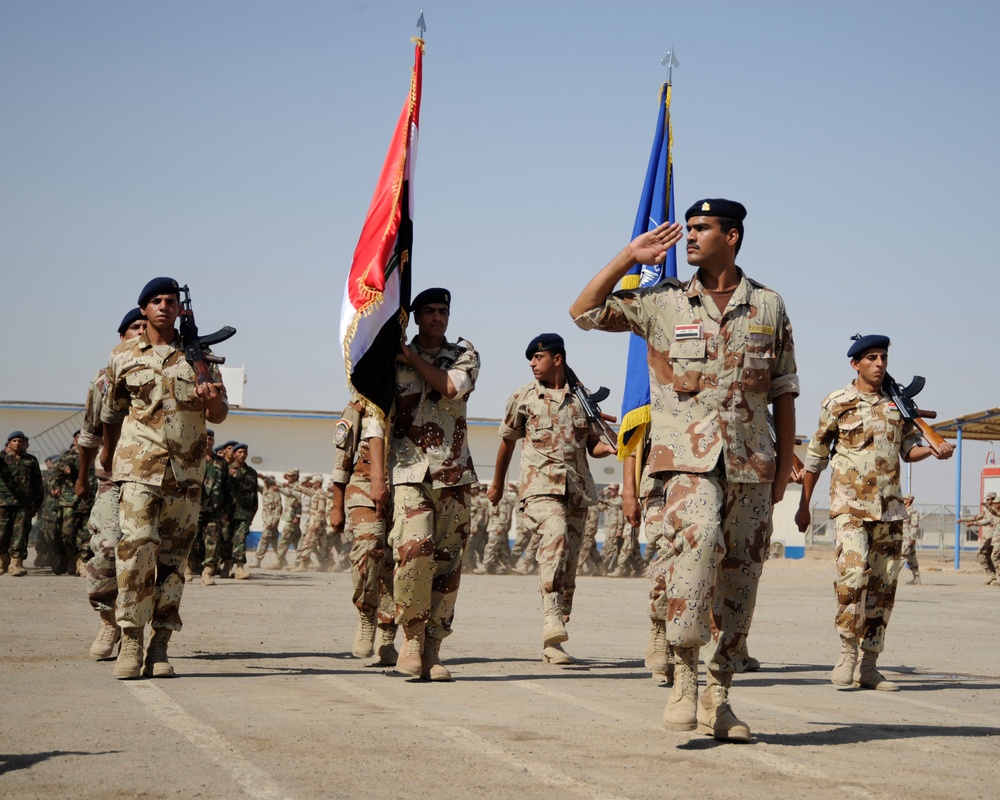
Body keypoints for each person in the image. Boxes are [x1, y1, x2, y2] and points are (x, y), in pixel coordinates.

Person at [571, 199, 798, 741]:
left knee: (741, 580)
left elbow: (784, 393)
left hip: (751, 464)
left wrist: (783, 471)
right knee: (695, 547)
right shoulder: (663, 301)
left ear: (733, 235)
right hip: (686, 462)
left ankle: (719, 697)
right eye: (688, 228)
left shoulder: (768, 305)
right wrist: (630, 255)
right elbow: (582, 312)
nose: (689, 237)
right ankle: (685, 678)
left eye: (702, 228)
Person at [795, 334, 955, 692]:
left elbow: (908, 450)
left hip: (890, 509)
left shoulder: (899, 406)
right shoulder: (837, 402)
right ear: (856, 364)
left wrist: (934, 450)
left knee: (883, 586)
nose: (880, 363)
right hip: (850, 506)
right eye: (872, 358)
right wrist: (803, 506)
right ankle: (846, 653)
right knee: (852, 577)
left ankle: (869, 664)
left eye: (883, 357)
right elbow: (816, 457)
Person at [100, 277, 228, 679]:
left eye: (171, 301)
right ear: (143, 310)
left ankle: (160, 645)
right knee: (135, 550)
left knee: (173, 562)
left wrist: (213, 402)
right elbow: (112, 413)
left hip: (186, 473)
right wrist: (107, 454)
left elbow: (220, 414)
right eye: (156, 300)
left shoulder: (200, 357)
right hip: (139, 469)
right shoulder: (122, 356)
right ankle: (132, 639)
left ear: (179, 309)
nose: (164, 306)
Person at [489, 334, 616, 664]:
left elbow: (594, 448)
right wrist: (498, 483)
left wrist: (616, 446)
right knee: (555, 534)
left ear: (557, 359)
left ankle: (554, 639)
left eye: (538, 357)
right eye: (530, 358)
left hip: (576, 492)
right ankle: (550, 618)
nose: (532, 363)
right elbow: (506, 441)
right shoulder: (524, 397)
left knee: (568, 568)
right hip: (539, 488)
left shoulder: (581, 400)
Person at [389, 287, 480, 681]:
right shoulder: (391, 358)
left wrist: (411, 358)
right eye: (428, 311)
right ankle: (410, 637)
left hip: (454, 475)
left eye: (443, 311)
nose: (437, 317)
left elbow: (452, 387)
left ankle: (433, 648)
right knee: (415, 550)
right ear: (414, 317)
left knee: (447, 563)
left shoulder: (463, 355)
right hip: (409, 471)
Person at [77, 307, 147, 657]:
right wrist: (82, 478)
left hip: (153, 479)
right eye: (135, 327)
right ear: (122, 337)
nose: (141, 332)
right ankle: (108, 622)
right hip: (113, 479)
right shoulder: (104, 380)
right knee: (107, 551)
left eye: (145, 327)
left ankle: (137, 631)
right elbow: (89, 434)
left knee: (148, 558)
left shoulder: (164, 371)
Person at [329, 398, 397, 664]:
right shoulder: (361, 403)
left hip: (405, 486)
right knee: (370, 548)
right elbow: (342, 455)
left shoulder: (415, 393)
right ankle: (367, 616)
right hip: (364, 485)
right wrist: (337, 506)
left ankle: (388, 635)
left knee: (397, 562)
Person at [0, 431, 43, 577]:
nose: (17, 443)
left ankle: (16, 563)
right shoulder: (2, 458)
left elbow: (38, 484)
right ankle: (2, 561)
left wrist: (37, 504)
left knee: (21, 534)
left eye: (20, 441)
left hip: (24, 504)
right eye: (14, 441)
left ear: (24, 443)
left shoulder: (31, 460)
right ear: (9, 443)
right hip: (3, 502)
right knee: (1, 533)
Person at [195, 430, 231, 585]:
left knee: (213, 540)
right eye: (205, 438)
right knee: (192, 539)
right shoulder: (194, 459)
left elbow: (227, 487)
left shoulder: (221, 463)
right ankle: (189, 567)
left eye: (210, 439)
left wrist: (226, 510)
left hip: (215, 509)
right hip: (195, 508)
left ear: (213, 441)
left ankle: (208, 571)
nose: (208, 441)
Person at [228, 444, 258, 580]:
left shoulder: (251, 472)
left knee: (240, 539)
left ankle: (239, 568)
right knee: (226, 539)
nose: (242, 455)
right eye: (239, 452)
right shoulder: (227, 469)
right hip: (228, 511)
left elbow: (254, 494)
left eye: (244, 452)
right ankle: (226, 566)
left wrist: (253, 512)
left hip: (244, 512)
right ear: (234, 454)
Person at [958, 493, 1000, 585]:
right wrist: (966, 520)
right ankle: (991, 574)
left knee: (995, 556)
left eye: (988, 499)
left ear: (993, 500)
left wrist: (974, 523)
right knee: (983, 554)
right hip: (991, 537)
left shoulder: (996, 511)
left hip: (995, 536)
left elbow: (991, 518)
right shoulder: (989, 511)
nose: (987, 501)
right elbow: (979, 518)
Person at [250, 474, 283, 568]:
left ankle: (257, 560)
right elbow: (257, 487)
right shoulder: (265, 490)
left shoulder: (274, 491)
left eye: (266, 481)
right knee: (274, 541)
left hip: (271, 520)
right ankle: (282, 559)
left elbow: (278, 507)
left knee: (263, 540)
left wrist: (275, 520)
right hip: (266, 519)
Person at [900, 495, 921, 585]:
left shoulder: (912, 512)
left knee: (901, 557)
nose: (902, 499)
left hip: (907, 539)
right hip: (902, 538)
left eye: (904, 498)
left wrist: (912, 538)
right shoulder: (902, 511)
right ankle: (917, 578)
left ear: (909, 500)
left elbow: (914, 526)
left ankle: (890, 578)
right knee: (912, 558)